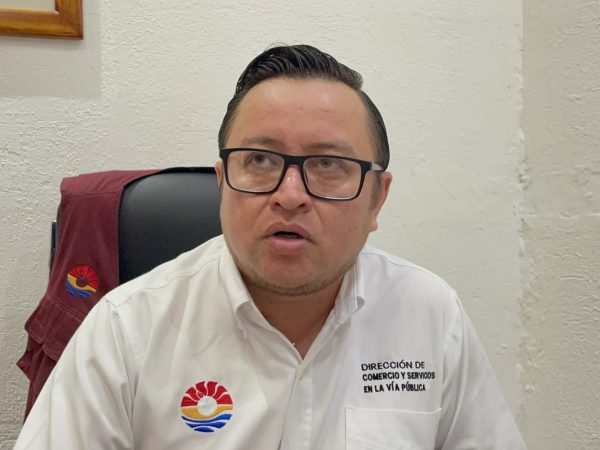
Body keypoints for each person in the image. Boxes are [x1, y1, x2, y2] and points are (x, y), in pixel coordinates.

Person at [14, 44, 527, 449]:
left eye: (328, 164)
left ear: (377, 199)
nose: (290, 195)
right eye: (259, 160)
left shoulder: (429, 313)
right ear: (222, 184)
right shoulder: (126, 328)